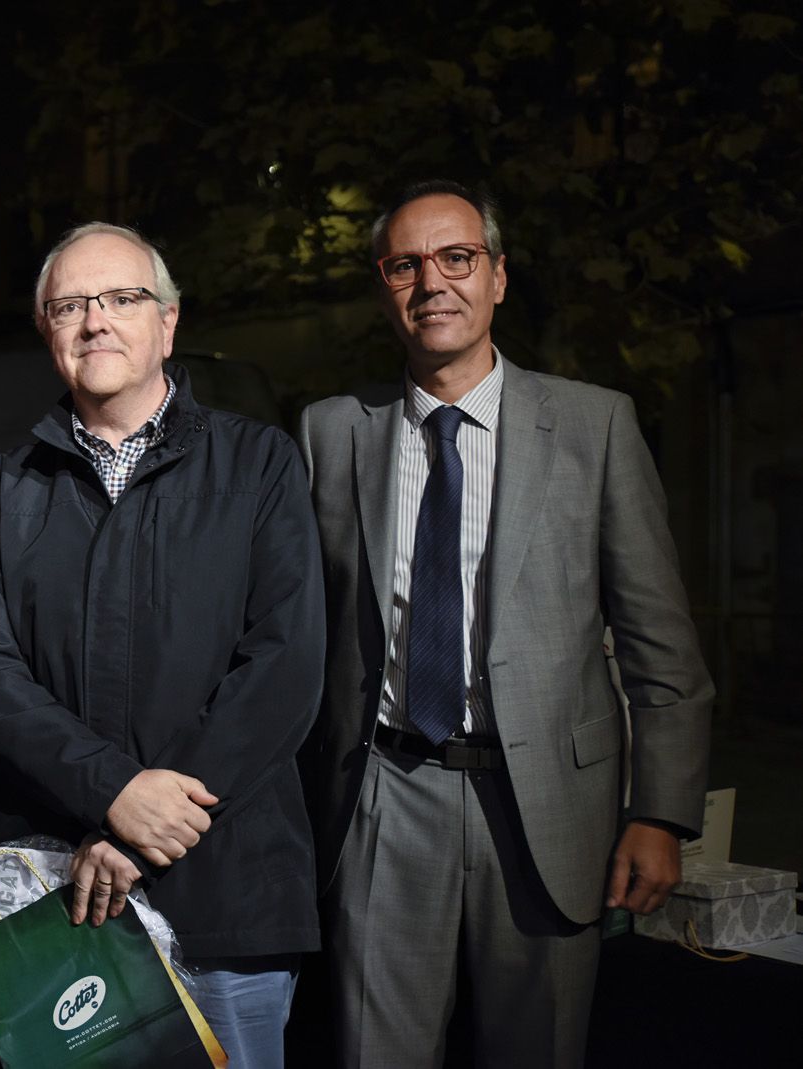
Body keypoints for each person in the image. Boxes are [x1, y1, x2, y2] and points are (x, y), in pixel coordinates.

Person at [297, 180, 713, 1067]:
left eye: (457, 258)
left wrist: (662, 814)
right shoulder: (331, 434)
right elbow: (295, 634)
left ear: (497, 278)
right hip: (383, 795)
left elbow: (660, 644)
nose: (432, 282)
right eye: (405, 264)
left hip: (547, 815)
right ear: (384, 286)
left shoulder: (595, 425)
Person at [0, 223, 326, 1068]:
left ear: (169, 323)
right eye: (71, 305)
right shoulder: (13, 484)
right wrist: (114, 790)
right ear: (47, 330)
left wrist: (153, 826)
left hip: (227, 889)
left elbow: (285, 666)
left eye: (122, 299)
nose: (96, 322)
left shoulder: (259, 463)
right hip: (57, 898)